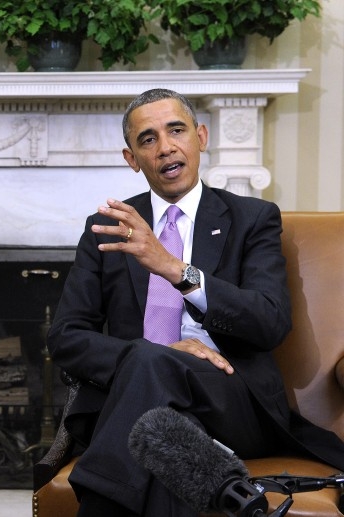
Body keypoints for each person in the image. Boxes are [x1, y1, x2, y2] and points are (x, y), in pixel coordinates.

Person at [47, 88, 344, 516]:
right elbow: (66, 338)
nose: (165, 147)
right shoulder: (108, 228)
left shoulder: (252, 219)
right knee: (163, 424)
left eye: (176, 130)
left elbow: (269, 321)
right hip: (143, 400)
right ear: (132, 159)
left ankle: (97, 500)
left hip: (232, 400)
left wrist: (172, 268)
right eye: (147, 139)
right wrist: (159, 356)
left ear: (201, 137)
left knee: (151, 383)